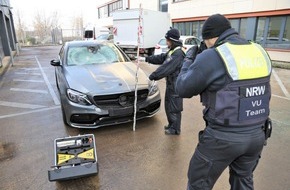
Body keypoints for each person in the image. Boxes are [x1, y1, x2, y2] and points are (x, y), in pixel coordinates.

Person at [176, 14, 272, 189]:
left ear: (211, 38)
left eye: (206, 42)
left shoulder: (213, 55)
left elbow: (182, 88)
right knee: (243, 181)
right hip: (257, 135)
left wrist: (189, 59)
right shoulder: (259, 50)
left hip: (223, 138)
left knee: (199, 184)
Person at [145, 28, 185, 135]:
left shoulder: (178, 54)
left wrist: (152, 76)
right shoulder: (172, 51)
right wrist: (147, 59)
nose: (166, 42)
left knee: (174, 107)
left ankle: (175, 129)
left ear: (172, 40)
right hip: (171, 84)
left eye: (167, 40)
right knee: (168, 105)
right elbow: (162, 58)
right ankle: (172, 124)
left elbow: (166, 68)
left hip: (176, 86)